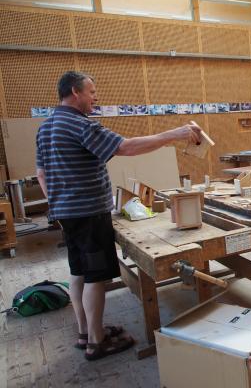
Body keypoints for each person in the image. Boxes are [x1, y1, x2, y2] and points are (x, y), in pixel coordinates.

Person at [35, 71, 204, 361]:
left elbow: (41, 172)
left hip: (67, 213)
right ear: (75, 92)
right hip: (88, 213)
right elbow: (125, 147)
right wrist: (174, 134)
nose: (95, 97)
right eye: (91, 91)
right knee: (95, 277)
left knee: (78, 272)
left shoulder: (47, 126)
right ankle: (97, 343)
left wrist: (59, 202)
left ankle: (85, 331)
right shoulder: (79, 125)